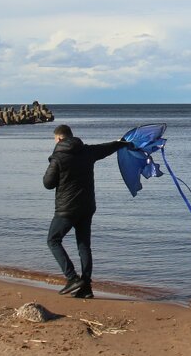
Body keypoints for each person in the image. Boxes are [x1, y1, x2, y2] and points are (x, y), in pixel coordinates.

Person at [43, 124, 129, 299]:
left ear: (59, 138)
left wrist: (53, 160)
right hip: (87, 207)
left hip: (66, 209)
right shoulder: (87, 151)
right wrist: (121, 143)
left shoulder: (58, 157)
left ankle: (72, 278)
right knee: (83, 245)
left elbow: (48, 183)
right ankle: (86, 287)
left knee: (53, 240)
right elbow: (107, 148)